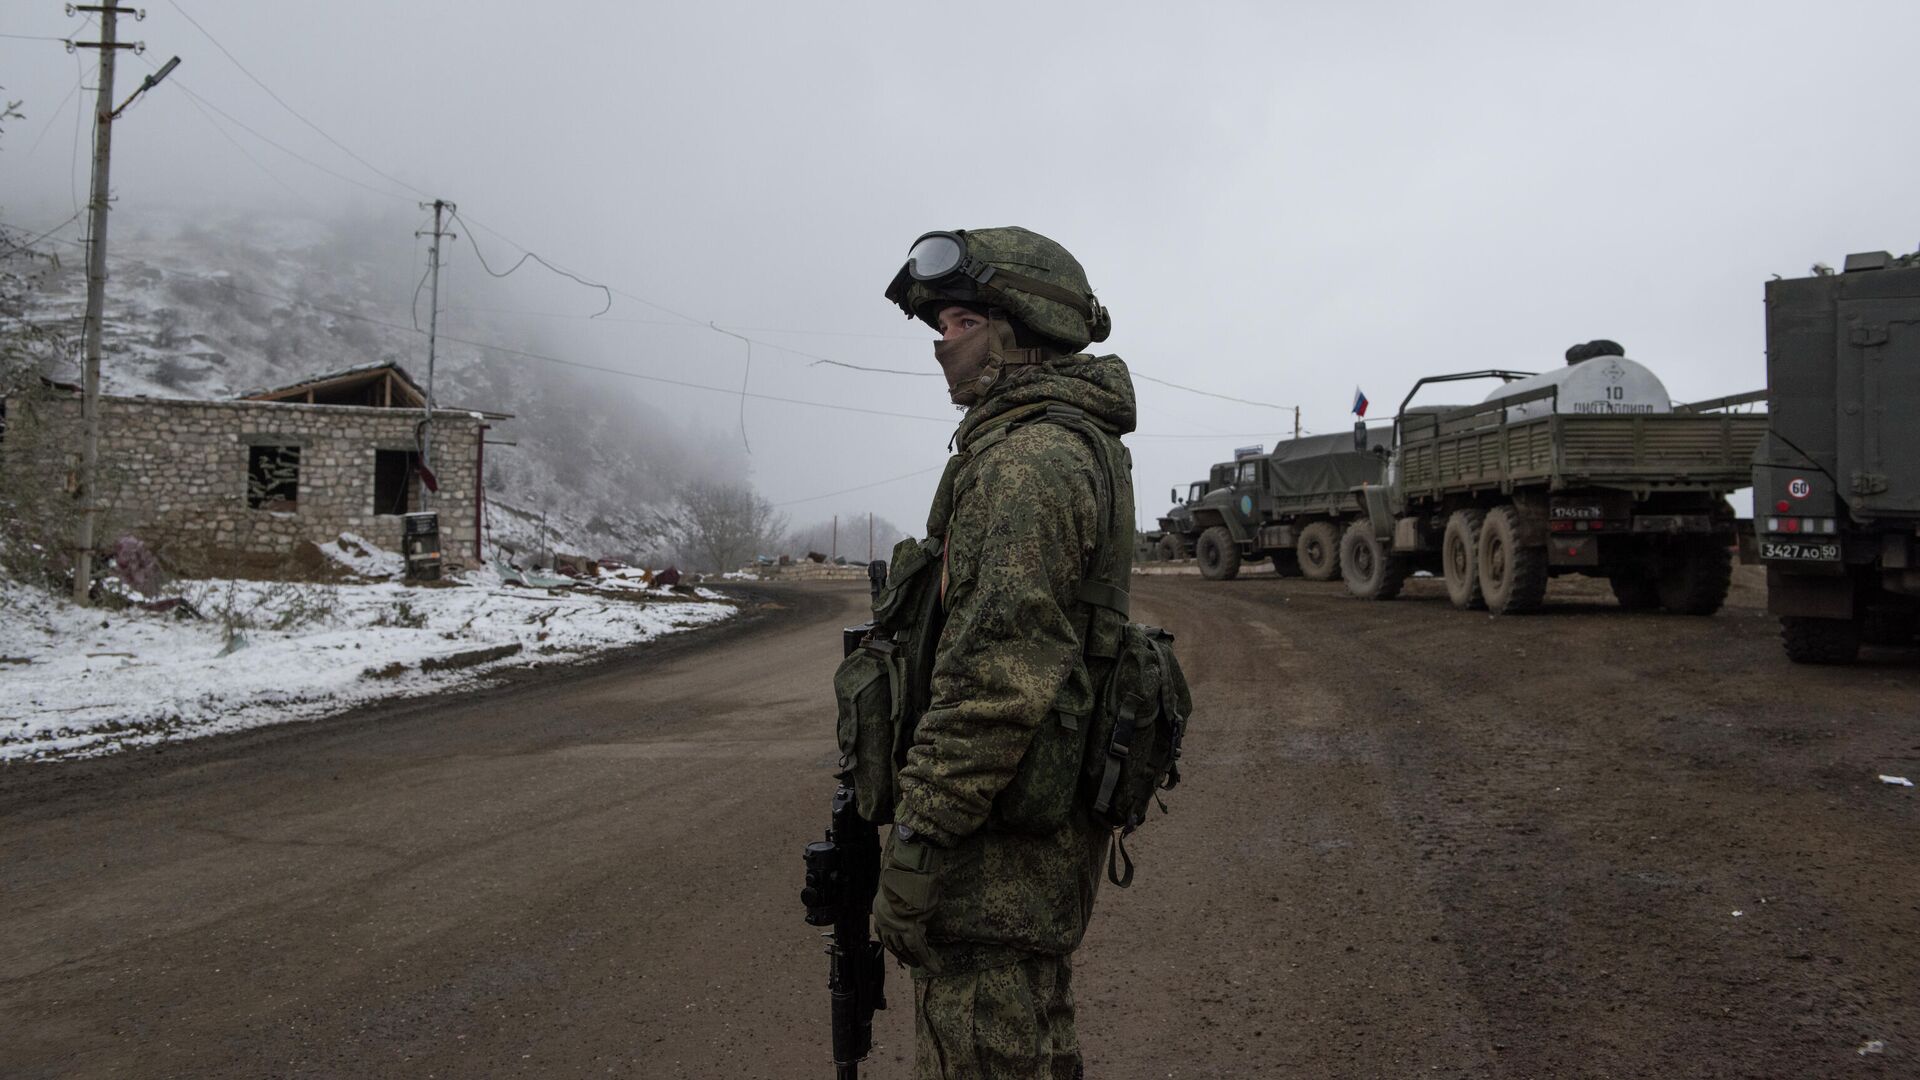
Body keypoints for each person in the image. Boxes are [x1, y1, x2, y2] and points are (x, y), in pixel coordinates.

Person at [873, 227, 1136, 1078]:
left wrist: (920, 838)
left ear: (1014, 330)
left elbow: (996, 679)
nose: (941, 343)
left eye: (957, 321)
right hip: (1024, 834)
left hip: (996, 850)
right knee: (1029, 1043)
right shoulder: (1047, 445)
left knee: (986, 1044)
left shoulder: (1028, 464)